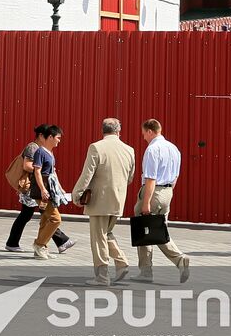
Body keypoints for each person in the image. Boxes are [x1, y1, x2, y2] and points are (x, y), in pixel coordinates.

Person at [72, 117, 135, 285]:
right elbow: (130, 178)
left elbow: (87, 174)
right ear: (118, 131)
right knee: (106, 233)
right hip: (118, 200)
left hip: (99, 200)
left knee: (98, 238)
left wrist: (76, 194)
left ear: (102, 130)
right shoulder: (129, 150)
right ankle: (121, 263)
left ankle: (102, 277)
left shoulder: (96, 147)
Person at [134, 119, 189, 283]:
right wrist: (168, 194)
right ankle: (146, 271)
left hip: (154, 192)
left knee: (144, 230)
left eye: (144, 133)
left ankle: (176, 260)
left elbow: (151, 178)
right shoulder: (174, 149)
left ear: (150, 131)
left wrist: (146, 202)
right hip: (167, 192)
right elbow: (176, 177)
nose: (143, 137)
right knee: (157, 228)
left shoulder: (152, 150)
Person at [5, 124, 75, 254]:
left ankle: (17, 243)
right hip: (32, 187)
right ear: (42, 136)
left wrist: (59, 187)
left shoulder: (44, 150)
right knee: (45, 216)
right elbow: (27, 166)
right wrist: (42, 170)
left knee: (35, 215)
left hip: (37, 186)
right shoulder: (33, 148)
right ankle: (50, 243)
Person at [31, 125, 71, 260]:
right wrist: (42, 190)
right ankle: (39, 244)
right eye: (57, 138)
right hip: (43, 191)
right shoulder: (40, 152)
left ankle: (41, 249)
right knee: (55, 219)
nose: (59, 141)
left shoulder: (50, 153)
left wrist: (60, 187)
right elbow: (37, 171)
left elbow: (52, 172)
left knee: (45, 219)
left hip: (50, 190)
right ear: (50, 137)